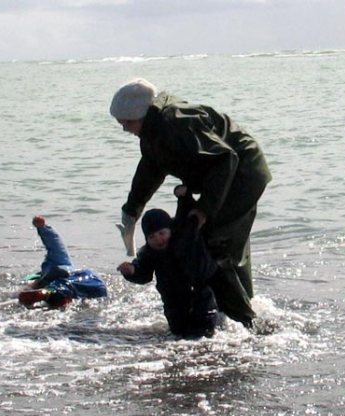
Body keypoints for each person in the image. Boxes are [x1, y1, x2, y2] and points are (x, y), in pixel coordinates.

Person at [110, 78, 271, 326]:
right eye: (121, 124)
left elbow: (226, 159)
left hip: (243, 173)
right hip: (223, 176)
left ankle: (244, 320)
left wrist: (204, 209)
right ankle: (241, 307)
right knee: (229, 244)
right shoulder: (152, 130)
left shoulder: (176, 123)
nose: (125, 129)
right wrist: (132, 210)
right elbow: (150, 169)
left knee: (211, 243)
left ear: (142, 114)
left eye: (128, 123)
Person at [117, 203, 220, 338]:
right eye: (152, 237)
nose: (158, 239)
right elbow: (144, 274)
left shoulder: (185, 240)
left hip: (200, 292)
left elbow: (190, 219)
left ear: (171, 230)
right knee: (178, 332)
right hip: (172, 299)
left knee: (205, 330)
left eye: (161, 233)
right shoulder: (148, 253)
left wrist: (186, 201)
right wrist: (132, 271)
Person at [18, 216, 108, 308]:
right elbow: (56, 245)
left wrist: (43, 228)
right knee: (67, 286)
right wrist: (43, 227)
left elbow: (56, 246)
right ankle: (52, 295)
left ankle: (49, 294)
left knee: (60, 288)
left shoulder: (52, 270)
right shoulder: (61, 264)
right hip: (95, 283)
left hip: (67, 284)